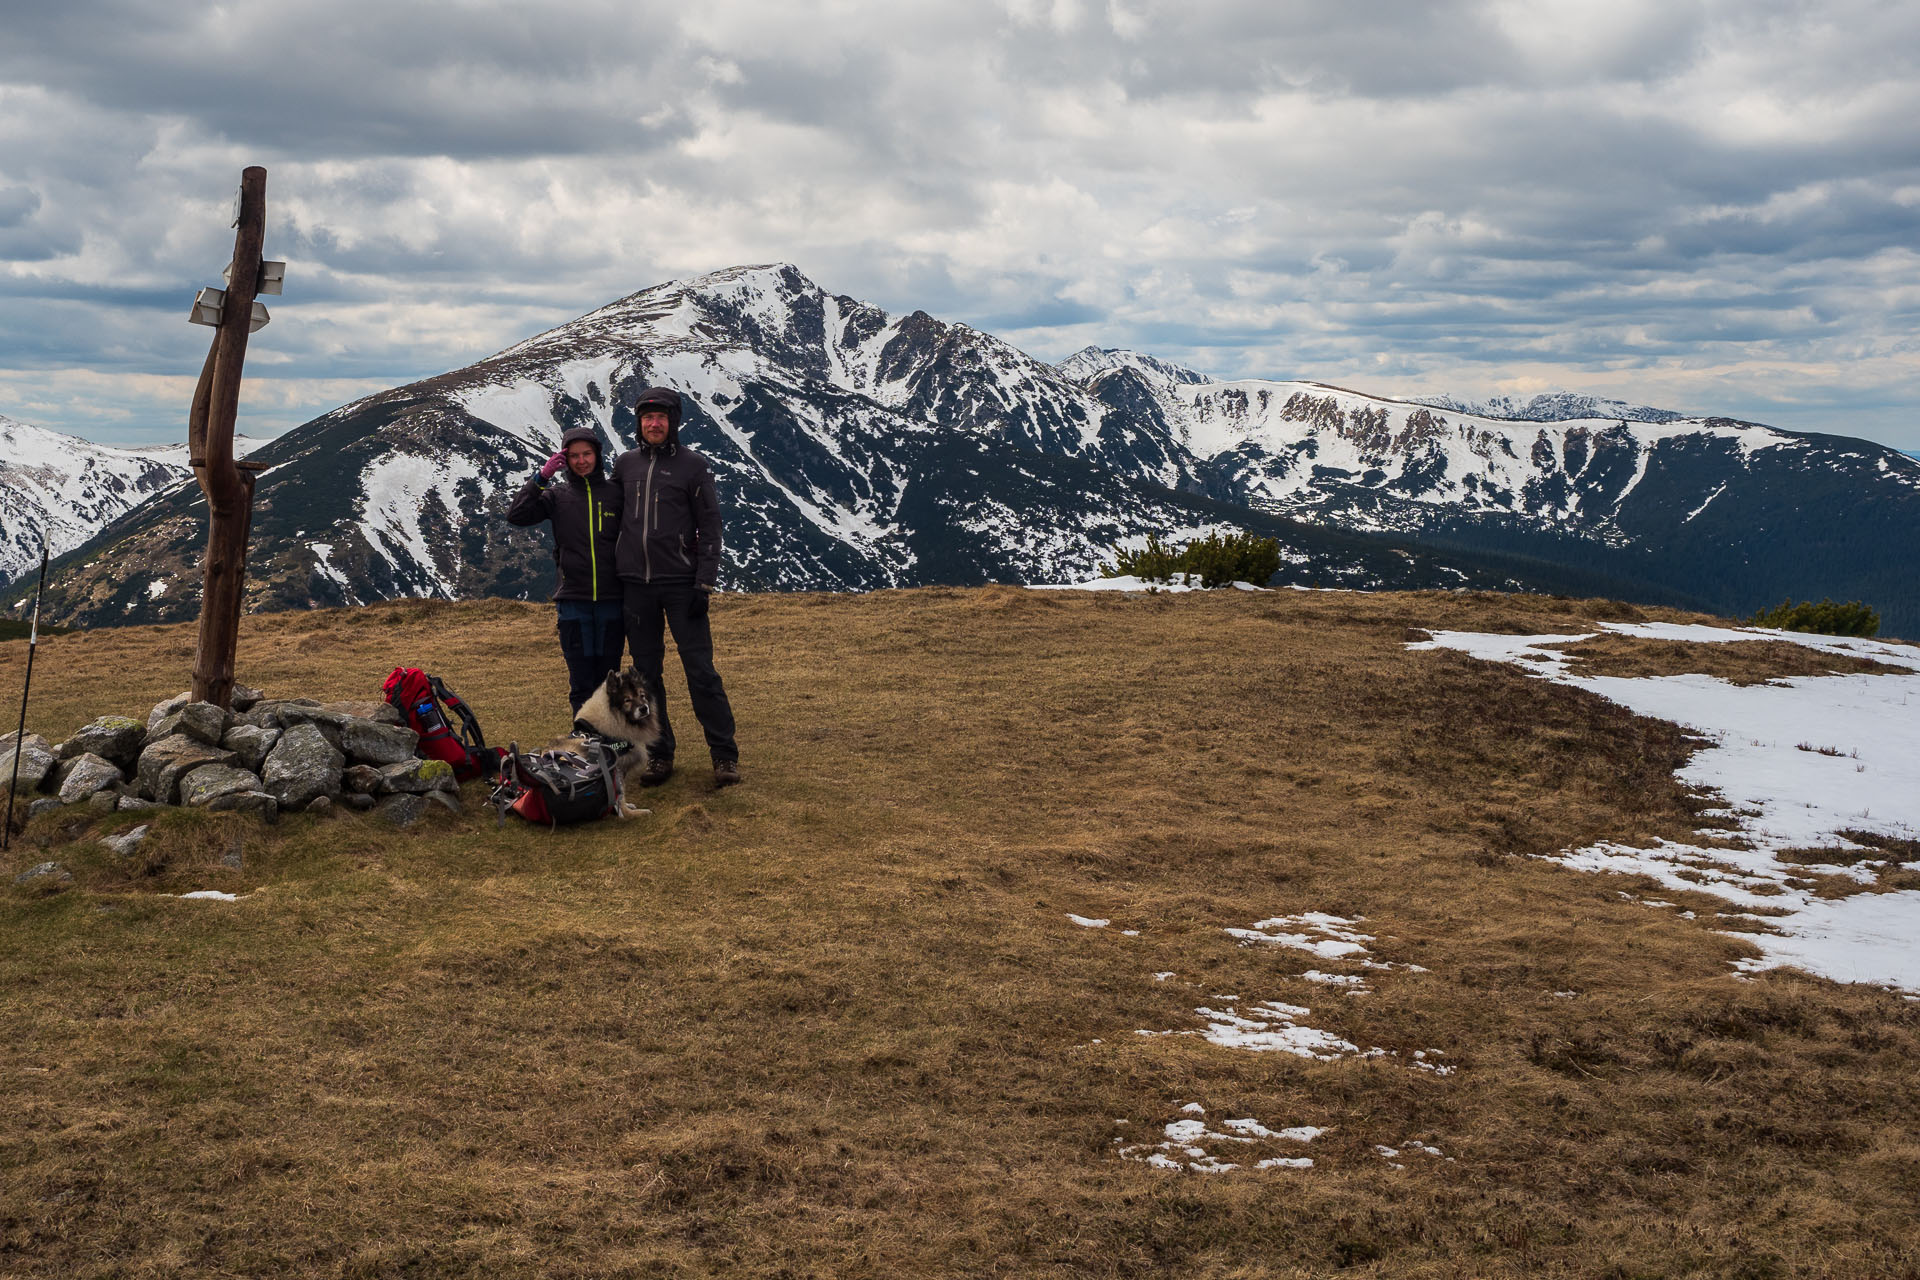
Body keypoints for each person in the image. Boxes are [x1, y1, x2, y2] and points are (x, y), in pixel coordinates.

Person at [613, 387, 741, 787]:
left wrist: (704, 581)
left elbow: (711, 525)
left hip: (682, 585)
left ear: (673, 423)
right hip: (636, 587)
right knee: (646, 677)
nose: (654, 424)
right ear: (639, 423)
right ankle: (660, 755)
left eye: (661, 418)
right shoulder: (625, 465)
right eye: (648, 418)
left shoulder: (693, 466)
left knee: (701, 672)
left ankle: (723, 757)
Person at [506, 425, 625, 714]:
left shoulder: (616, 493)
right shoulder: (557, 496)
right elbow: (517, 515)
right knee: (581, 681)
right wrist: (542, 477)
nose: (581, 461)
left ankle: (614, 746)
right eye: (574, 456)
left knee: (610, 679)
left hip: (613, 600)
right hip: (573, 602)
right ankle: (587, 747)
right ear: (565, 459)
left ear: (597, 455)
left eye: (587, 454)